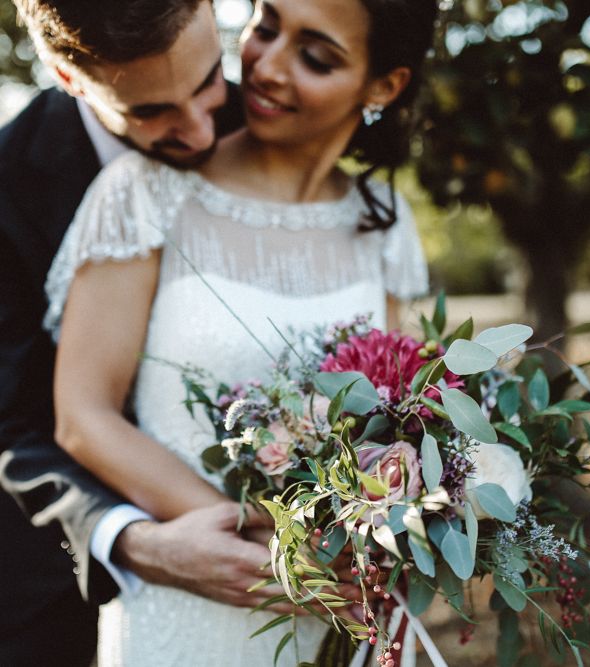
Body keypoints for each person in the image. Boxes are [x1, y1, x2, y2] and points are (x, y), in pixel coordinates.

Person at [46, 0, 438, 663]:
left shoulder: (386, 224)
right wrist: (268, 542)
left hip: (335, 608)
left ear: (383, 86)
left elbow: (407, 417)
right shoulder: (142, 194)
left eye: (315, 56)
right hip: (191, 589)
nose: (265, 65)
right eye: (264, 26)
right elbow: (82, 416)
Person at [0, 2, 284, 665]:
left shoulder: (286, 135)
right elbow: (8, 422)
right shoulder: (7, 185)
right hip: (60, 587)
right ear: (67, 76)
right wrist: (132, 541)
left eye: (209, 77)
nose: (199, 130)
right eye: (150, 111)